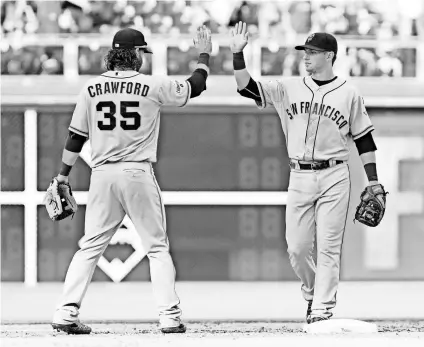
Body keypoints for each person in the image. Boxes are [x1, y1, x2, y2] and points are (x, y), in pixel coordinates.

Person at [50, 26, 212, 334]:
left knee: (90, 247)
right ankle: (169, 316)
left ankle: (65, 312)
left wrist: (62, 175)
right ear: (135, 54)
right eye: (143, 53)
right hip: (136, 172)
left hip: (102, 175)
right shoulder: (151, 85)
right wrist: (204, 54)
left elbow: (75, 137)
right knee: (157, 247)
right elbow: (196, 85)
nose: (144, 58)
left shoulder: (90, 88)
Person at [230, 22, 383, 323]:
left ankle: (323, 309)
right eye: (305, 52)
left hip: (335, 175)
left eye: (313, 52)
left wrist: (374, 179)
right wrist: (237, 54)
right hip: (299, 175)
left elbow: (364, 138)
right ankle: (313, 292)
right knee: (297, 248)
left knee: (328, 247)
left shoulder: (349, 92)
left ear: (330, 56)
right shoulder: (288, 87)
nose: (306, 57)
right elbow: (246, 87)